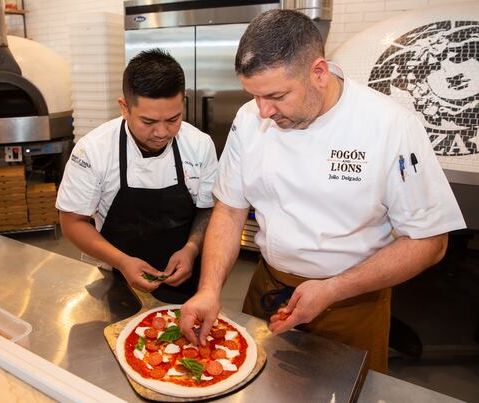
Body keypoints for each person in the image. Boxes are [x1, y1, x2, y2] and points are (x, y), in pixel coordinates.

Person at [180, 10, 466, 373]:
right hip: (268, 287)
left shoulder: (389, 126)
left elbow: (429, 242)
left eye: (277, 95)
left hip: (351, 304)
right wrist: (209, 288)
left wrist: (332, 289)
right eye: (254, 96)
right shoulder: (249, 118)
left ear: (318, 72)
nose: (264, 112)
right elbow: (230, 209)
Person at [56, 49, 218, 304]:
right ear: (124, 107)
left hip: (185, 279)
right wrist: (121, 261)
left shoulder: (200, 145)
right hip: (116, 278)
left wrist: (192, 248)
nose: (162, 132)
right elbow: (72, 221)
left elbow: (208, 209)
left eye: (173, 119)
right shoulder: (94, 150)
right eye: (149, 121)